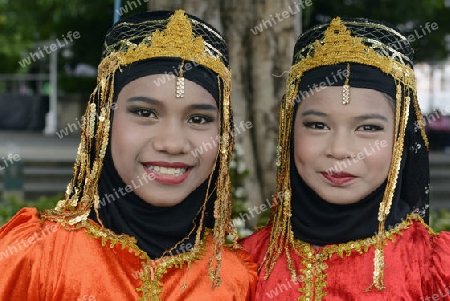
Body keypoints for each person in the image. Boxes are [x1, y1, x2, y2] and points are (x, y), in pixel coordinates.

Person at [0, 10, 256, 300]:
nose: (172, 144)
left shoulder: (235, 279)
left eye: (198, 119)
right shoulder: (34, 256)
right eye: (145, 113)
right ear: (102, 124)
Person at [241, 17, 450, 300]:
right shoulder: (240, 266)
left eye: (368, 128)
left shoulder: (437, 269)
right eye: (318, 125)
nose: (339, 151)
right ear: (289, 132)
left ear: (401, 139)